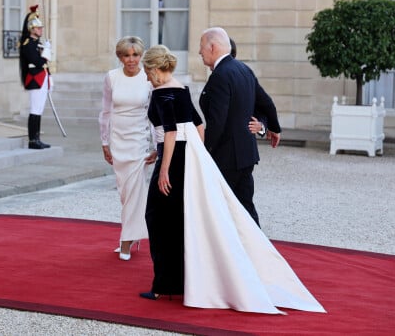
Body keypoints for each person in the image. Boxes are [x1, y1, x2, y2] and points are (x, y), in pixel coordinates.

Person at [139, 44, 325, 314]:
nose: (146, 77)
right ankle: (193, 278)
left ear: (155, 69)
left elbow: (170, 132)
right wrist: (196, 157)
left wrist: (165, 166)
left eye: (147, 71)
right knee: (200, 219)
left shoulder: (164, 92)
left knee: (159, 219)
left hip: (184, 159)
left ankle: (167, 284)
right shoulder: (186, 86)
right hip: (204, 158)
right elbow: (199, 124)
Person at [199, 27, 281, 226]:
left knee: (220, 209)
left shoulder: (220, 76)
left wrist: (203, 151)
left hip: (227, 157)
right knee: (244, 206)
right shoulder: (244, 69)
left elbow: (218, 122)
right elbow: (266, 102)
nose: (200, 52)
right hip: (245, 155)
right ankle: (256, 251)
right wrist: (274, 128)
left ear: (212, 47)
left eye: (201, 47)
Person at [99, 36, 156, 261]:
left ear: (141, 56)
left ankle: (125, 240)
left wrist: (157, 145)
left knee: (135, 189)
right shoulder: (111, 77)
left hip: (139, 141)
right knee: (125, 192)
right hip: (117, 139)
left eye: (135, 55)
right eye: (126, 55)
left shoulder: (149, 77)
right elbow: (105, 112)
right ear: (120, 57)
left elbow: (155, 114)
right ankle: (134, 234)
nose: (131, 60)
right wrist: (104, 142)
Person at [19, 5, 52, 149]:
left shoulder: (37, 44)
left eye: (41, 28)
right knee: (35, 109)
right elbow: (37, 61)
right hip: (34, 79)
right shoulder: (28, 44)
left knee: (39, 110)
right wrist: (46, 52)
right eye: (38, 28)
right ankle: (32, 140)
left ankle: (37, 138)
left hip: (41, 78)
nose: (41, 30)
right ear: (31, 29)